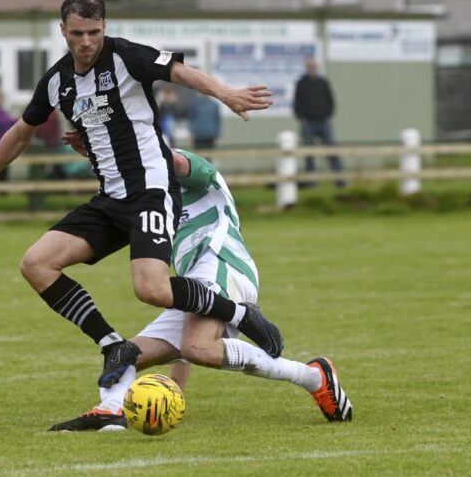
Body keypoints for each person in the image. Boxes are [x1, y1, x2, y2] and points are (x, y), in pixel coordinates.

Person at [0, 0, 278, 390]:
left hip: (150, 189)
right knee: (36, 264)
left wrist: (226, 93)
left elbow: (180, 73)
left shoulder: (126, 56)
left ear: (105, 27)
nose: (86, 41)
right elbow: (21, 132)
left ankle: (239, 313)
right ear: (63, 31)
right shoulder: (58, 80)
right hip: (110, 200)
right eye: (77, 33)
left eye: (94, 31)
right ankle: (112, 343)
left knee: (151, 289)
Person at [49, 148, 353, 431]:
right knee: (125, 357)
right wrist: (176, 386)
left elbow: (178, 163)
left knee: (199, 347)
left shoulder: (190, 174)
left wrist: (127, 146)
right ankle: (112, 413)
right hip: (197, 284)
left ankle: (313, 377)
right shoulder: (154, 205)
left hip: (224, 264)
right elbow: (189, 310)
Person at [293, 57, 344, 185]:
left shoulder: (323, 82)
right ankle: (312, 182)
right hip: (308, 123)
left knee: (332, 151)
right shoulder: (301, 83)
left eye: (313, 66)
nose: (312, 68)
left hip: (324, 121)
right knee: (309, 153)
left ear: (317, 67)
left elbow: (330, 99)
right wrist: (301, 117)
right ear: (306, 67)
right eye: (309, 66)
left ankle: (340, 180)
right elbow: (297, 102)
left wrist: (329, 114)